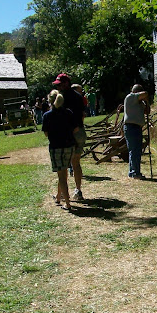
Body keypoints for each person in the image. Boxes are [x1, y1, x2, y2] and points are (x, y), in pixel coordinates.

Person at [42, 90, 78, 211]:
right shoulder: (68, 113)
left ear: (50, 101)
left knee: (61, 175)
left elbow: (46, 134)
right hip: (69, 147)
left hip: (56, 147)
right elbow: (76, 129)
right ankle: (58, 196)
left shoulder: (47, 116)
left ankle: (67, 203)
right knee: (63, 172)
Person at [53, 73, 87, 201]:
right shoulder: (79, 97)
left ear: (65, 83)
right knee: (76, 163)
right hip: (80, 132)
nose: (58, 87)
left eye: (60, 84)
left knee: (63, 166)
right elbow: (83, 114)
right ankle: (78, 190)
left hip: (68, 134)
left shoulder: (61, 98)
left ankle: (61, 194)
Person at [123, 84, 149, 179]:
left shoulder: (139, 103)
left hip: (137, 127)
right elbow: (145, 93)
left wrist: (147, 102)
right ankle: (135, 172)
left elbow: (147, 111)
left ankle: (132, 171)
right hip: (131, 127)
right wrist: (144, 96)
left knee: (135, 150)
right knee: (134, 150)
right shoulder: (130, 97)